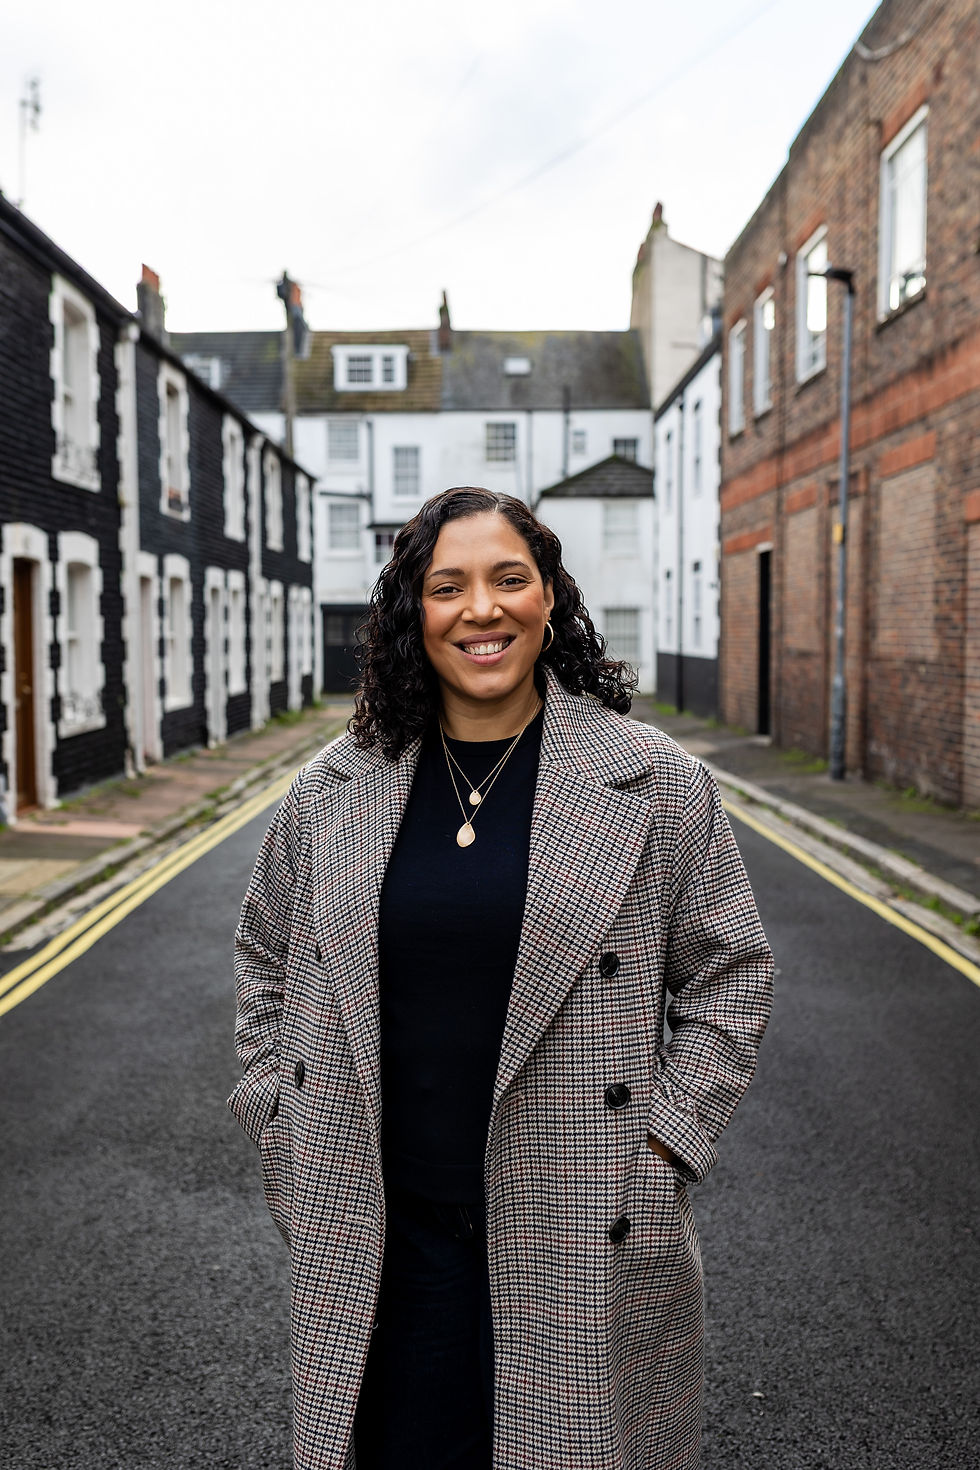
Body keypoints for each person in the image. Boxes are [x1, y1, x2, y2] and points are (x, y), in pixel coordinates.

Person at [229, 486, 774, 1470]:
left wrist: (662, 1153)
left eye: (507, 579)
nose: (480, 609)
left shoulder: (652, 784)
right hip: (383, 1230)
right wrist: (280, 1127)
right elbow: (264, 955)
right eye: (448, 587)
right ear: (414, 616)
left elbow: (728, 974)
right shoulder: (331, 789)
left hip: (581, 1221)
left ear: (549, 600)